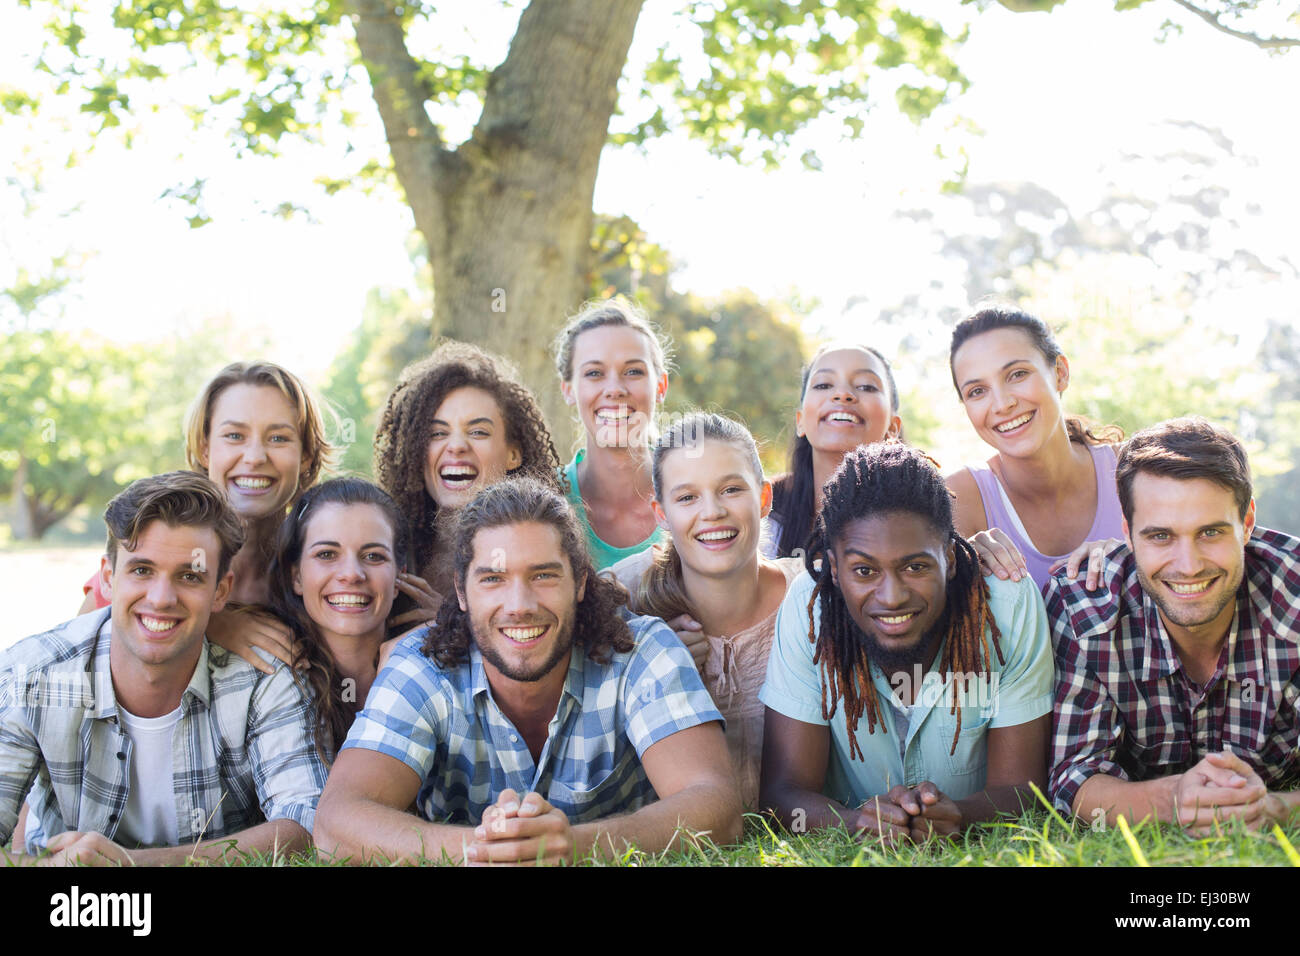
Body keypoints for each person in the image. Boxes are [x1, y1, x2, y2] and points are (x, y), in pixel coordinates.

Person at [313, 477, 741, 865]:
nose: (520, 605)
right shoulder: (422, 665)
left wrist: (574, 846)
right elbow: (336, 823)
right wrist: (484, 852)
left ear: (580, 583)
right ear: (461, 591)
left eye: (542, 576)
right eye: (494, 579)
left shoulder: (641, 650)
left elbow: (716, 806)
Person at [1, 472, 327, 865]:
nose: (160, 599)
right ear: (109, 577)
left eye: (189, 576)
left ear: (220, 590)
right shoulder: (32, 673)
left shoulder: (265, 681)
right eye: (142, 570)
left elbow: (305, 824)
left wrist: (134, 864)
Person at [760, 442, 1054, 843]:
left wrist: (962, 816)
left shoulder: (1007, 606)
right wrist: (855, 822)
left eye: (915, 567)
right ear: (833, 567)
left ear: (950, 559)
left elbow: (1026, 791)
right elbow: (781, 797)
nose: (892, 596)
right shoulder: (809, 608)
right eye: (864, 570)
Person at [1047, 417, 1300, 833]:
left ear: (1248, 521)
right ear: (1127, 534)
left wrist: (1270, 809)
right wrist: (1175, 799)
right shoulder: (1084, 608)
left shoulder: (1291, 598)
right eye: (1161, 536)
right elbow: (1074, 782)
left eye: (1211, 532)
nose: (1188, 566)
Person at [77, 361, 337, 676]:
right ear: (204, 449)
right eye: (234, 435)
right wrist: (209, 621)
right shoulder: (142, 565)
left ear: (306, 455)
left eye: (279, 438)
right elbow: (75, 662)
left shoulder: (323, 571)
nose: (255, 457)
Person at [606, 413, 802, 807]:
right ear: (662, 514)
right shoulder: (620, 594)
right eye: (687, 497)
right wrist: (652, 660)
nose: (711, 512)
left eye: (731, 489)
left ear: (763, 499)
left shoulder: (808, 594)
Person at [373, 341, 564, 629]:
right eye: (438, 433)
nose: (457, 446)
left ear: (514, 453)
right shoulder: (387, 549)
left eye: (477, 431)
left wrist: (455, 624)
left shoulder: (549, 544)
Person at [946, 307, 1126, 591]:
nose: (1002, 404)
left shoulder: (1131, 468)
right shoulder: (957, 500)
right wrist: (963, 560)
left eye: (1017, 374)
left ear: (1060, 373)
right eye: (977, 391)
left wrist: (1132, 557)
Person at [267, 477, 408, 761]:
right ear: (296, 576)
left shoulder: (431, 668)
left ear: (398, 578)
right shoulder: (271, 679)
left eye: (373, 555)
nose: (352, 574)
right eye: (327, 554)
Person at [553, 297, 671, 571]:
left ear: (661, 386)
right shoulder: (544, 500)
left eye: (633, 371)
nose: (615, 388)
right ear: (568, 389)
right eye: (594, 373)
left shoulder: (692, 494)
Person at [765, 343, 902, 561]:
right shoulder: (761, 510)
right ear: (800, 422)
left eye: (866, 386)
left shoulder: (923, 519)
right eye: (823, 385)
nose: (842, 394)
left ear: (892, 429)